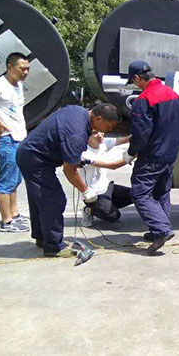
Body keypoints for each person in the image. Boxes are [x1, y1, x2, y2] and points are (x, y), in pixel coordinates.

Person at [16, 104, 121, 257]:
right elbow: (69, 170)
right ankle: (54, 247)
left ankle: (43, 237)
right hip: (36, 160)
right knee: (54, 200)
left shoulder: (78, 111)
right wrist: (86, 191)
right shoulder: (77, 133)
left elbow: (63, 142)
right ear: (98, 119)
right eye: (108, 126)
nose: (108, 131)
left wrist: (73, 158)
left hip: (30, 153)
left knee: (40, 200)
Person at [122, 61, 179, 255]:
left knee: (140, 193)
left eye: (133, 81)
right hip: (170, 154)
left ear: (137, 78)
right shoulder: (174, 95)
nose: (135, 85)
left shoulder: (144, 99)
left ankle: (161, 229)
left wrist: (131, 152)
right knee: (161, 192)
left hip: (152, 156)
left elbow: (141, 134)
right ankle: (158, 230)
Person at [0, 53, 30, 233]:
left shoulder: (18, 85)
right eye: (22, 69)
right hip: (6, 140)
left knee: (15, 178)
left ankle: (14, 214)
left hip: (19, 138)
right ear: (9, 67)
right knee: (6, 181)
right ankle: (6, 221)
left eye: (27, 69)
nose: (25, 72)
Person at [80, 131, 133, 225]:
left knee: (137, 195)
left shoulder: (103, 143)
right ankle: (89, 209)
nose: (100, 135)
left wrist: (143, 132)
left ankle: (104, 206)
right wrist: (131, 155)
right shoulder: (84, 153)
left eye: (101, 131)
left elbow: (125, 139)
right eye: (95, 133)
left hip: (107, 187)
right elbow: (112, 166)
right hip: (93, 195)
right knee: (113, 215)